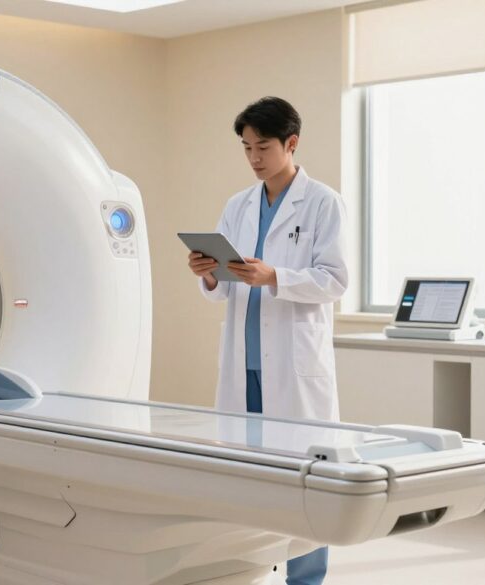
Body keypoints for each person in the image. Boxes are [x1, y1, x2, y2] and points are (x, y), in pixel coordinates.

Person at [187, 97, 348, 585]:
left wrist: (275, 275)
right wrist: (208, 274)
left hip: (293, 363)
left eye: (263, 146)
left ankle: (306, 576)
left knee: (305, 478)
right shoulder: (238, 205)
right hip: (245, 361)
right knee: (245, 472)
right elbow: (221, 288)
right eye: (246, 147)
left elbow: (335, 280)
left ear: (291, 144)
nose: (254, 157)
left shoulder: (323, 202)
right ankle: (247, 566)